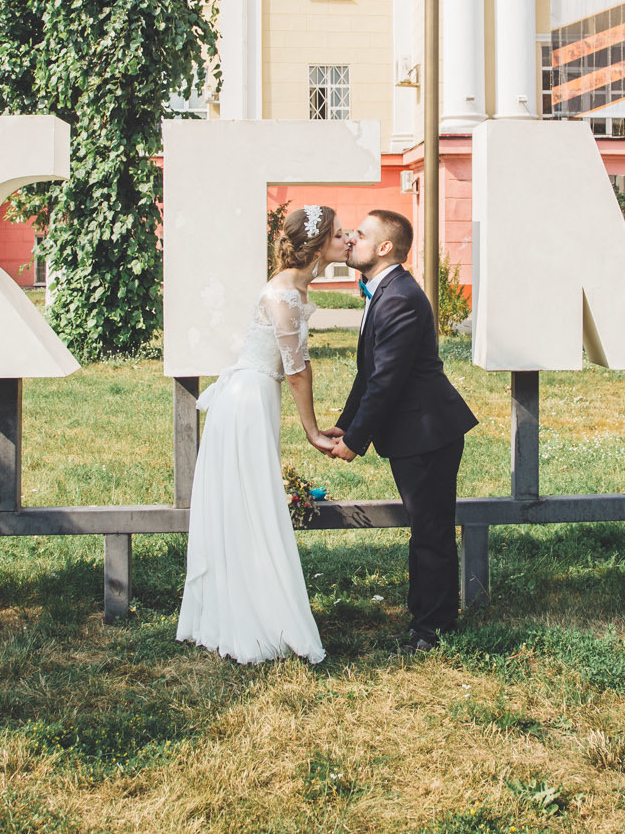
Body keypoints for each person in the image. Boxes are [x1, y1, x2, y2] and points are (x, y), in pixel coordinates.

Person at [175, 205, 347, 664]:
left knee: (248, 503)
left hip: (253, 396)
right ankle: (255, 619)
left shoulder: (292, 287)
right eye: (338, 234)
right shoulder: (284, 294)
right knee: (252, 504)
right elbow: (297, 371)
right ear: (317, 246)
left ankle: (246, 606)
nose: (345, 239)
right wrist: (311, 431)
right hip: (248, 403)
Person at [324, 209, 479, 655]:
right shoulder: (384, 290)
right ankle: (425, 619)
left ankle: (434, 630)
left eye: (361, 234)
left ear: (385, 248)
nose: (351, 239)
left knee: (431, 530)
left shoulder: (399, 297)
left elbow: (386, 380)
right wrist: (348, 423)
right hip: (417, 431)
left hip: (428, 432)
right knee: (424, 527)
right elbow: (368, 370)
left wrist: (355, 442)